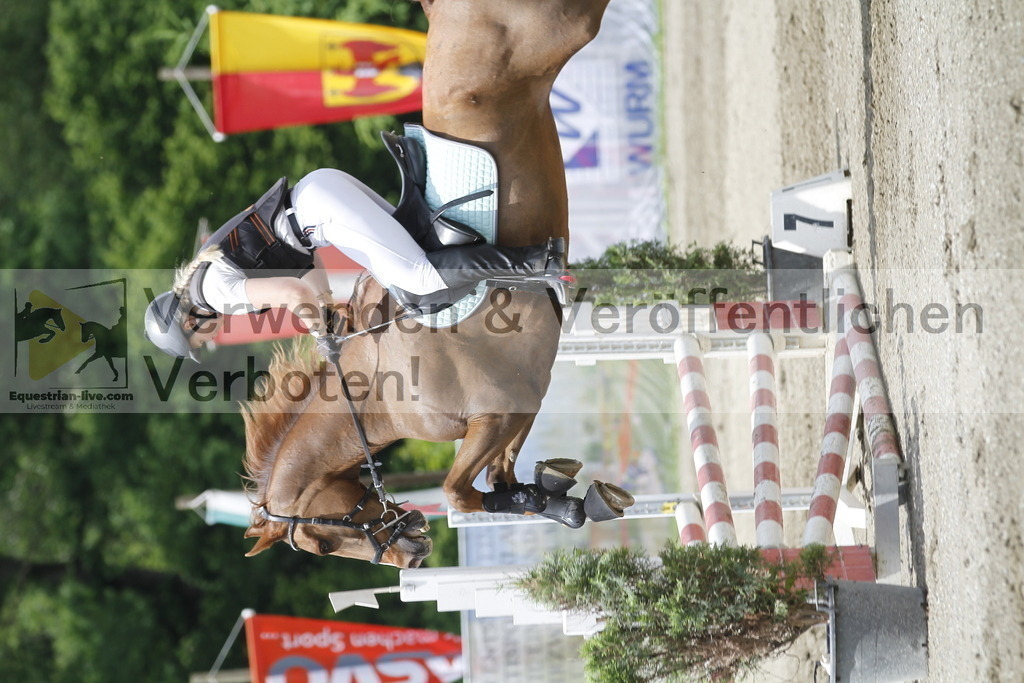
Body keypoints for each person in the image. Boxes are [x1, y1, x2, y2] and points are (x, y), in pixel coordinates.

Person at [144, 168, 567, 361]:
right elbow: (304, 272)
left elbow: (293, 294)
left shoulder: (216, 293)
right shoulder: (208, 279)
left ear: (187, 322)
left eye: (196, 342)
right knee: (408, 272)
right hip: (318, 197)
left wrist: (319, 334)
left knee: (420, 281)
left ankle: (540, 261)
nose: (207, 340)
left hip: (320, 213)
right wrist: (328, 308)